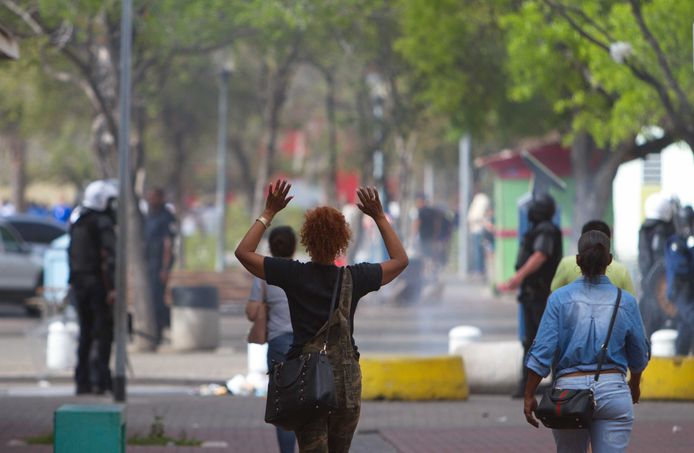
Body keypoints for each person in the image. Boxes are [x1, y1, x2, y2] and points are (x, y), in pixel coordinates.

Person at [235, 180, 408, 453]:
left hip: (308, 381)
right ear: (343, 240)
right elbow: (400, 261)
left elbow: (243, 253)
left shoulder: (293, 274)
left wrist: (269, 212)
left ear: (307, 238)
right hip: (346, 383)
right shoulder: (356, 277)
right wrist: (378, 216)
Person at [523, 231, 650, 452]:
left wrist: (528, 395)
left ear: (578, 260)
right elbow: (638, 354)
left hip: (568, 395)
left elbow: (542, 352)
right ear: (609, 260)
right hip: (614, 393)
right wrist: (634, 385)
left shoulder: (559, 299)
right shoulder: (626, 301)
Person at [497, 193, 563, 397]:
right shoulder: (540, 229)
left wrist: (517, 277)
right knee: (531, 341)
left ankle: (555, 384)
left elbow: (540, 255)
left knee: (546, 340)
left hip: (540, 295)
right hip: (532, 294)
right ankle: (527, 384)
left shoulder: (546, 230)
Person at [245, 226, 298, 453]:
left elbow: (250, 312)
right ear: (294, 247)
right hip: (304, 344)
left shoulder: (265, 276)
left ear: (271, 247)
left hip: (278, 346)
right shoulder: (303, 271)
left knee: (283, 407)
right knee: (306, 401)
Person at [68, 180, 118, 395]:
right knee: (102, 332)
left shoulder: (77, 219)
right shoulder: (101, 222)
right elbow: (110, 257)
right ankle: (100, 380)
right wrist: (112, 288)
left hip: (78, 283)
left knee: (85, 333)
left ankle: (83, 381)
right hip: (98, 284)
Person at [551, 220, 635, 294]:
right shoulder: (622, 270)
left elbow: (553, 292)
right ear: (609, 259)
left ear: (578, 259)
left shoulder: (566, 264)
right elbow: (631, 305)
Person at [144, 187, 177, 346]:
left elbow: (168, 244)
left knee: (157, 299)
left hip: (159, 264)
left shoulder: (166, 217)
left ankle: (160, 331)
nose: (150, 200)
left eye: (153, 197)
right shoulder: (148, 215)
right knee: (150, 298)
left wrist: (165, 267)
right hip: (149, 262)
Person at [665, 205, 694, 355]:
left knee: (685, 327)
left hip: (689, 292)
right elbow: (680, 267)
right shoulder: (675, 243)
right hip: (680, 291)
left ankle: (681, 358)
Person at [467, 191, 493, 278]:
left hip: (478, 231)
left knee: (479, 251)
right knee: (479, 251)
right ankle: (479, 269)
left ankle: (479, 270)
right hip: (479, 231)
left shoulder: (480, 200)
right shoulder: (482, 200)